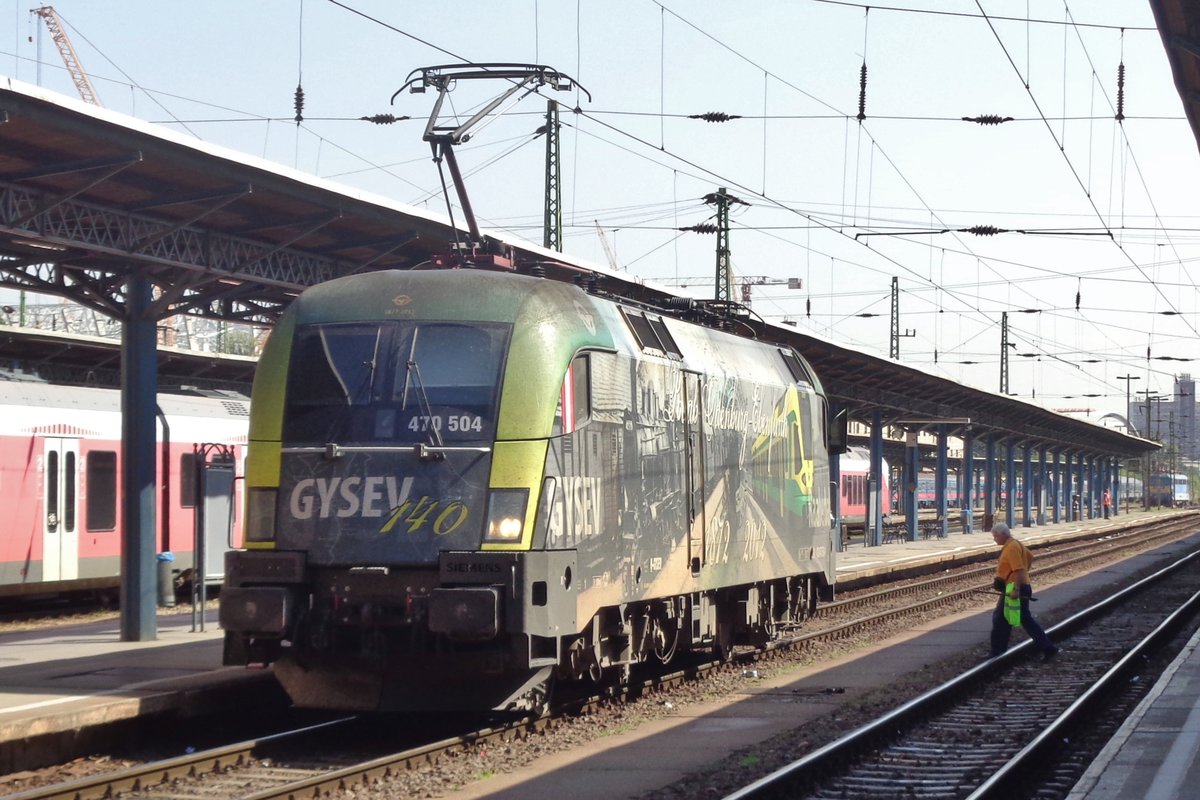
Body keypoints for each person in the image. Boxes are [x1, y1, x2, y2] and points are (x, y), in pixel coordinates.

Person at [989, 523, 1059, 661]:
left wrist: (1016, 587)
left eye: (996, 536)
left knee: (1001, 618)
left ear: (1004, 534)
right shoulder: (1015, 544)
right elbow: (1029, 557)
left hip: (1014, 587)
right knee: (1016, 619)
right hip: (1018, 585)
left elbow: (1019, 569)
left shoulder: (1011, 548)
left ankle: (997, 652)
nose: (995, 539)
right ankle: (1047, 647)